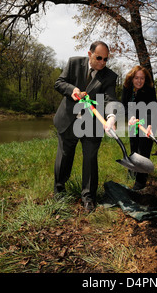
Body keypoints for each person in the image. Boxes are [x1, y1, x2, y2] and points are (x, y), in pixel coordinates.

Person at [53, 41, 118, 212]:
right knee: (64, 156)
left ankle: (88, 197)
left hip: (92, 123)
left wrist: (111, 117)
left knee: (90, 159)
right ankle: (59, 191)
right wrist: (72, 89)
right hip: (69, 120)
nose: (102, 62)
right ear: (89, 54)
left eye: (106, 59)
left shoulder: (110, 76)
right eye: (99, 58)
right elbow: (59, 83)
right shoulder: (74, 63)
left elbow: (110, 99)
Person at [122, 65, 157, 190]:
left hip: (148, 122)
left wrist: (149, 126)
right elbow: (124, 105)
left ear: (145, 80)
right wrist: (130, 116)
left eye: (142, 78)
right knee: (134, 147)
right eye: (136, 78)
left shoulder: (149, 89)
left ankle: (140, 182)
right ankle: (133, 170)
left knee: (143, 151)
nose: (139, 81)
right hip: (134, 121)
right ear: (132, 79)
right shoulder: (127, 88)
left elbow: (153, 109)